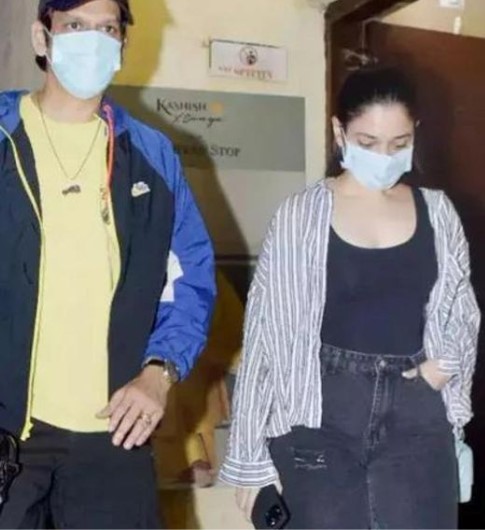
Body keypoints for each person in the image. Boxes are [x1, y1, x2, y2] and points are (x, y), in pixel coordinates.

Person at [220, 67, 481, 529]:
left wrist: (442, 370)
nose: (384, 156)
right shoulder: (301, 215)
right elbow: (265, 336)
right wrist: (249, 457)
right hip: (319, 413)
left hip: (416, 414)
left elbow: (462, 312)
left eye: (399, 143)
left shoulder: (438, 212)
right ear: (339, 132)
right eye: (368, 142)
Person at [0, 0, 215, 528]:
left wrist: (160, 373)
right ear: (42, 37)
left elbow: (190, 278)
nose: (92, 41)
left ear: (122, 44)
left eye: (107, 29)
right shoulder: (4, 136)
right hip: (10, 433)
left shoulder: (152, 156)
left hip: (113, 433)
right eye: (75, 26)